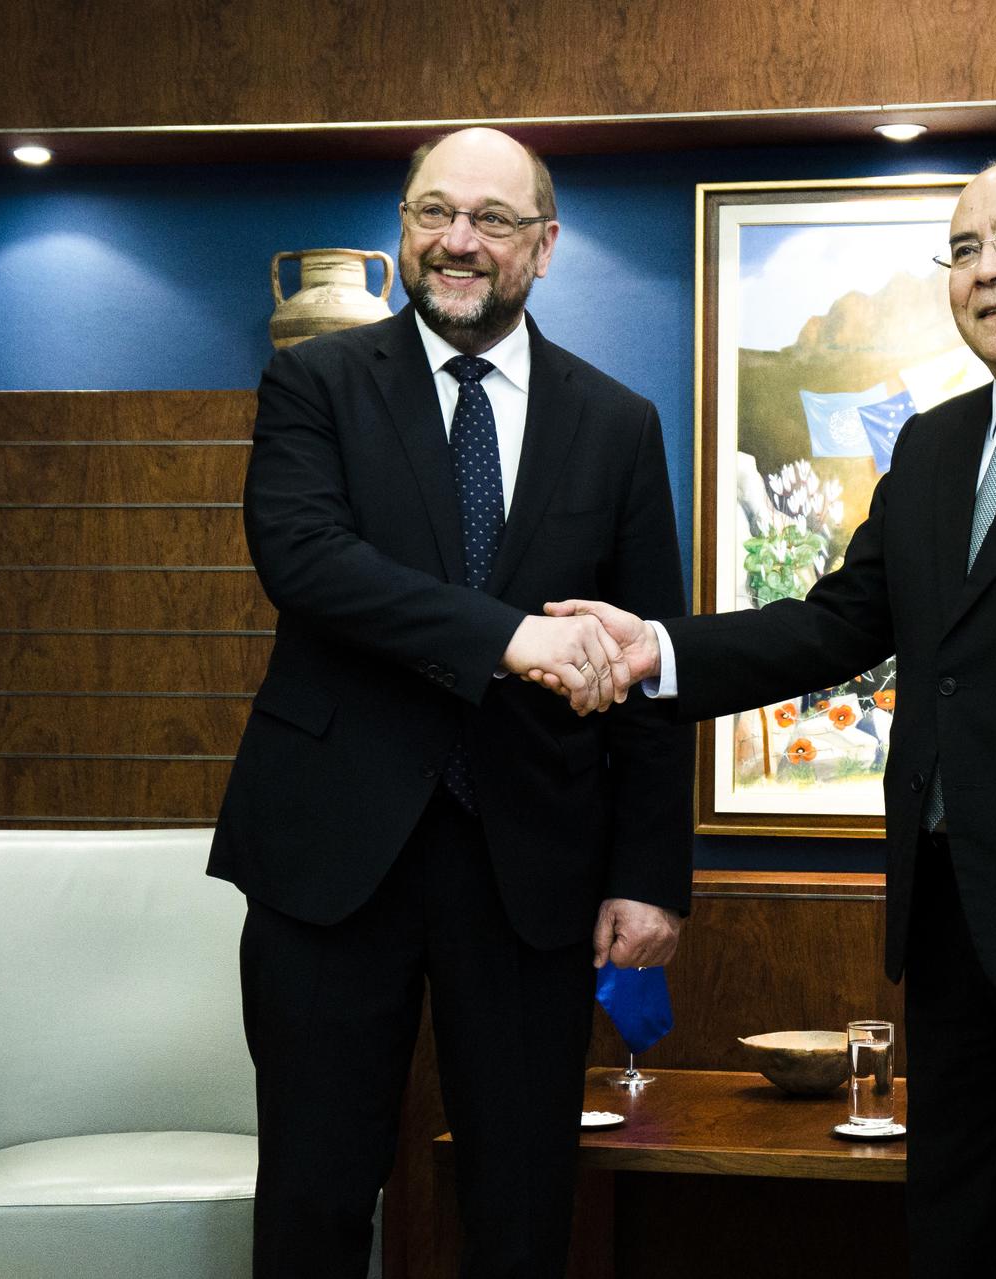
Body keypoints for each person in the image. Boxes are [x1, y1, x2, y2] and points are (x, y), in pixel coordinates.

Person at [544, 158, 996, 1276]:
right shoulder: (934, 446)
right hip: (949, 917)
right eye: (963, 247)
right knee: (961, 1229)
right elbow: (834, 624)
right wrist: (657, 649)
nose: (986, 268)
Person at [208, 127, 693, 1279]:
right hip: (331, 859)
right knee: (316, 1200)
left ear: (546, 243)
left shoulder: (617, 422)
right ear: (403, 227)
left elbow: (644, 663)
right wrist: (513, 637)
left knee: (522, 1207)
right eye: (432, 214)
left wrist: (648, 871)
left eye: (491, 218)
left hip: (531, 864)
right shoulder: (315, 381)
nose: (457, 242)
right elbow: (308, 562)